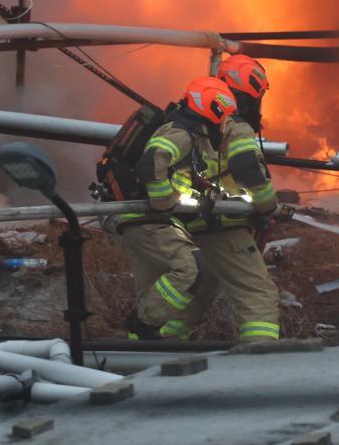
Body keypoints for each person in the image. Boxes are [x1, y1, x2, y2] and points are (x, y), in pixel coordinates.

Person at [116, 77, 235, 341]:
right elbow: (152, 162)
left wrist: (198, 185)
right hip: (150, 219)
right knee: (191, 267)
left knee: (151, 289)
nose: (224, 124)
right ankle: (143, 324)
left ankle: (138, 353)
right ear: (212, 112)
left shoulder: (183, 133)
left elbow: (170, 169)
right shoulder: (180, 133)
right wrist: (164, 202)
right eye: (224, 117)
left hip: (139, 220)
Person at [175, 56, 284, 343]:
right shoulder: (234, 125)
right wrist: (267, 204)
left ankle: (155, 348)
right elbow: (247, 167)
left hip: (196, 222)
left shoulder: (197, 122)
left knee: (197, 294)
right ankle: (261, 358)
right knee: (257, 293)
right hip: (224, 225)